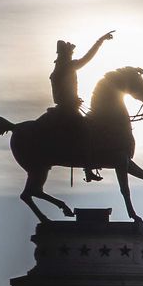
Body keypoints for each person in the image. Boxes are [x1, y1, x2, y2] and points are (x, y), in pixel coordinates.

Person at [49, 31, 113, 181]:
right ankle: (88, 168)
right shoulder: (68, 67)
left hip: (65, 108)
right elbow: (88, 58)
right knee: (86, 131)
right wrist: (100, 40)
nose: (71, 55)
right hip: (67, 110)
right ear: (65, 54)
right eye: (70, 53)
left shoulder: (58, 69)